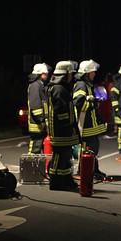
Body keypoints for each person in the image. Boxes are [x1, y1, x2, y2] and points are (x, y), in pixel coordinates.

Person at [46, 60, 79, 191]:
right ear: (65, 74)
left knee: (65, 155)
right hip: (60, 129)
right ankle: (56, 181)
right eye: (70, 73)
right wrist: (67, 124)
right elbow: (61, 109)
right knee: (59, 155)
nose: (72, 76)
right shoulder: (58, 89)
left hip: (63, 128)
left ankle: (66, 179)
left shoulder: (59, 87)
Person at [73, 59, 107, 181]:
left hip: (91, 124)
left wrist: (95, 102)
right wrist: (91, 103)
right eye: (92, 72)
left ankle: (93, 169)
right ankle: (84, 170)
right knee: (88, 149)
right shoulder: (81, 85)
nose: (94, 74)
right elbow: (77, 103)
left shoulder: (87, 84)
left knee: (94, 148)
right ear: (87, 73)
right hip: (85, 124)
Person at [26, 62, 51, 154]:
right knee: (34, 151)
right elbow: (35, 106)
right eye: (45, 73)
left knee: (42, 152)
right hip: (37, 126)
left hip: (41, 126)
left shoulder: (40, 85)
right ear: (40, 74)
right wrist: (41, 120)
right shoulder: (35, 86)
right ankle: (29, 167)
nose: (47, 74)